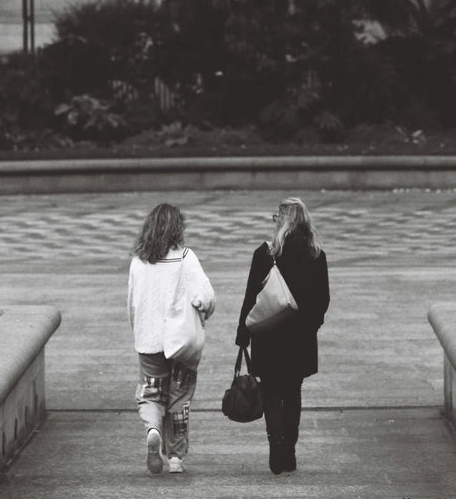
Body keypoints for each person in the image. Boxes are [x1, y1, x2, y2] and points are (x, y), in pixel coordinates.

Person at [236, 196, 329, 475]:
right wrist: (311, 326)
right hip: (300, 340)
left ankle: (276, 446)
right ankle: (289, 448)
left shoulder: (265, 255)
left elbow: (251, 298)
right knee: (293, 391)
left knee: (272, 392)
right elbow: (323, 299)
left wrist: (243, 334)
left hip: (269, 337)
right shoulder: (316, 255)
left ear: (282, 221)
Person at [128, 203, 216, 475]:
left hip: (149, 341)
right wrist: (202, 309)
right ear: (178, 228)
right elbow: (206, 296)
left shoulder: (138, 261)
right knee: (180, 398)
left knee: (151, 394)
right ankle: (176, 457)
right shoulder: (186, 258)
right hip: (181, 344)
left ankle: (153, 429)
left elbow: (132, 303)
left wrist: (139, 331)